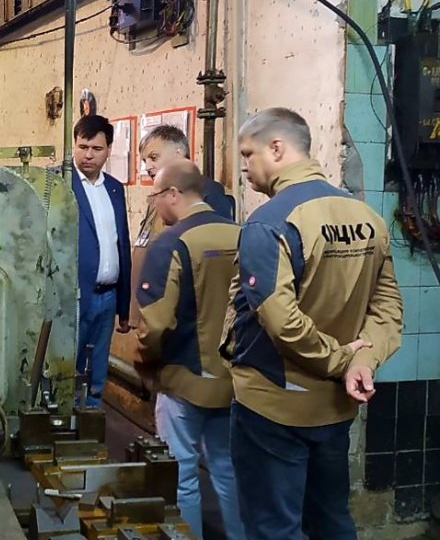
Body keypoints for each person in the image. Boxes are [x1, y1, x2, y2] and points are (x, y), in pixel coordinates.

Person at [220, 108, 403, 540]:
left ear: (277, 148)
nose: (244, 166)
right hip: (336, 407)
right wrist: (362, 363)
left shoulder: (269, 222)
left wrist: (341, 362)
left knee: (273, 528)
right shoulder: (367, 218)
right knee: (331, 521)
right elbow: (388, 307)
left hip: (272, 406)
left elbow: (281, 320)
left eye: (248, 154)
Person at [134, 160, 244, 540]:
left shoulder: (171, 243)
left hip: (183, 381)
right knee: (228, 472)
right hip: (234, 382)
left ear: (173, 194)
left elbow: (156, 324)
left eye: (155, 196)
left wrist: (145, 361)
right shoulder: (242, 235)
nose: (155, 205)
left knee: (180, 475)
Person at [127, 125, 234, 335]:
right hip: (152, 308)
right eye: (145, 160)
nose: (148, 166)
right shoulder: (159, 197)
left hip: (183, 318)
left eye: (154, 157)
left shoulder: (207, 194)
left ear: (178, 153)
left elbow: (209, 265)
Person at [70, 114, 131, 407]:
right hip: (73, 296)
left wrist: (124, 306)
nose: (89, 155)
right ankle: (63, 422)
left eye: (96, 148)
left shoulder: (115, 189)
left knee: (97, 370)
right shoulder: (59, 185)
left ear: (108, 150)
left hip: (107, 297)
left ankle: (91, 417)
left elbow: (122, 244)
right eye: (83, 147)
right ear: (74, 146)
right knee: (66, 367)